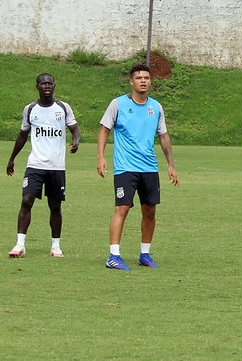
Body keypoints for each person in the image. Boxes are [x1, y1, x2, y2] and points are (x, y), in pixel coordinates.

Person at [97, 64, 180, 271]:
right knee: (122, 208)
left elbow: (163, 136)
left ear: (151, 81)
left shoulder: (156, 107)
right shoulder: (118, 104)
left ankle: (145, 254)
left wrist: (170, 165)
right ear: (131, 81)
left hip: (149, 168)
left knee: (150, 210)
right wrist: (101, 157)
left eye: (146, 77)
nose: (143, 81)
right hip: (125, 168)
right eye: (139, 78)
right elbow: (104, 130)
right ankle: (113, 256)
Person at [6, 73, 80, 258]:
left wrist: (76, 141)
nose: (47, 86)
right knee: (26, 200)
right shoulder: (30, 109)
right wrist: (12, 158)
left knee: (55, 206)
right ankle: (20, 244)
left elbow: (74, 129)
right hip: (35, 165)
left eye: (50, 83)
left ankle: (56, 246)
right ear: (37, 86)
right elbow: (23, 135)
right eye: (43, 83)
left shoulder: (63, 108)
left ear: (54, 86)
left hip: (56, 166)